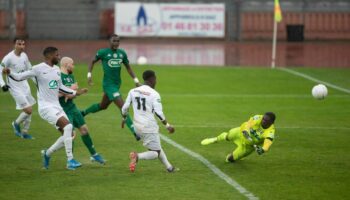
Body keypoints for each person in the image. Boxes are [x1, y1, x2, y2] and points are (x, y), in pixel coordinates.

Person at [3, 47, 87, 170]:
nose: (59, 57)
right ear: (49, 56)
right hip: (45, 107)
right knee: (68, 127)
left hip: (56, 106)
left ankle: (47, 154)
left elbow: (61, 87)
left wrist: (76, 92)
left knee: (70, 134)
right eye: (57, 55)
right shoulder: (38, 69)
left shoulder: (57, 70)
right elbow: (20, 77)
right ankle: (70, 161)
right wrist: (10, 72)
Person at [82, 34, 141, 140]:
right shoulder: (103, 52)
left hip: (117, 84)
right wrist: (89, 75)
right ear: (109, 42)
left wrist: (136, 81)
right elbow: (92, 61)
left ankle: (83, 113)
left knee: (102, 106)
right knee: (123, 107)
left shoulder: (122, 53)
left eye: (118, 41)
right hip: (108, 85)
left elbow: (128, 67)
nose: (116, 43)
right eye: (114, 41)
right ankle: (134, 131)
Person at [121, 70, 177, 173]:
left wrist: (124, 118)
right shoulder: (154, 94)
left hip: (137, 126)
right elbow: (158, 113)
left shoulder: (133, 91)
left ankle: (169, 167)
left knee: (157, 146)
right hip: (148, 127)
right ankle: (137, 156)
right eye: (155, 79)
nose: (156, 81)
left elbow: (124, 108)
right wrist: (167, 125)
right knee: (155, 152)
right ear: (152, 79)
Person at [59, 57, 105, 164]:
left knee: (84, 129)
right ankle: (70, 160)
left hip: (72, 107)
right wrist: (72, 90)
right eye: (72, 64)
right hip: (63, 109)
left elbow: (71, 95)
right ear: (66, 64)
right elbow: (65, 93)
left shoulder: (71, 76)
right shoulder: (58, 76)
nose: (74, 66)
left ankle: (94, 155)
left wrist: (75, 91)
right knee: (70, 134)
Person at [201, 112, 276, 162]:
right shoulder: (258, 117)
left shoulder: (270, 132)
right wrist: (246, 131)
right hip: (240, 133)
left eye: (266, 121)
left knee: (229, 160)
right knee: (228, 136)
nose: (263, 121)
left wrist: (263, 150)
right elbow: (248, 124)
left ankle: (241, 155)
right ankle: (215, 139)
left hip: (248, 146)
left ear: (271, 123)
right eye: (263, 119)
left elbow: (267, 143)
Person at [0, 37, 36, 139]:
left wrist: (36, 83)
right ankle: (15, 123)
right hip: (14, 87)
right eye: (19, 44)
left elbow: (30, 69)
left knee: (30, 108)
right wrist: (2, 84)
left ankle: (25, 132)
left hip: (24, 85)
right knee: (28, 110)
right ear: (14, 45)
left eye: (23, 44)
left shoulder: (24, 56)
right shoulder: (8, 58)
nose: (21, 46)